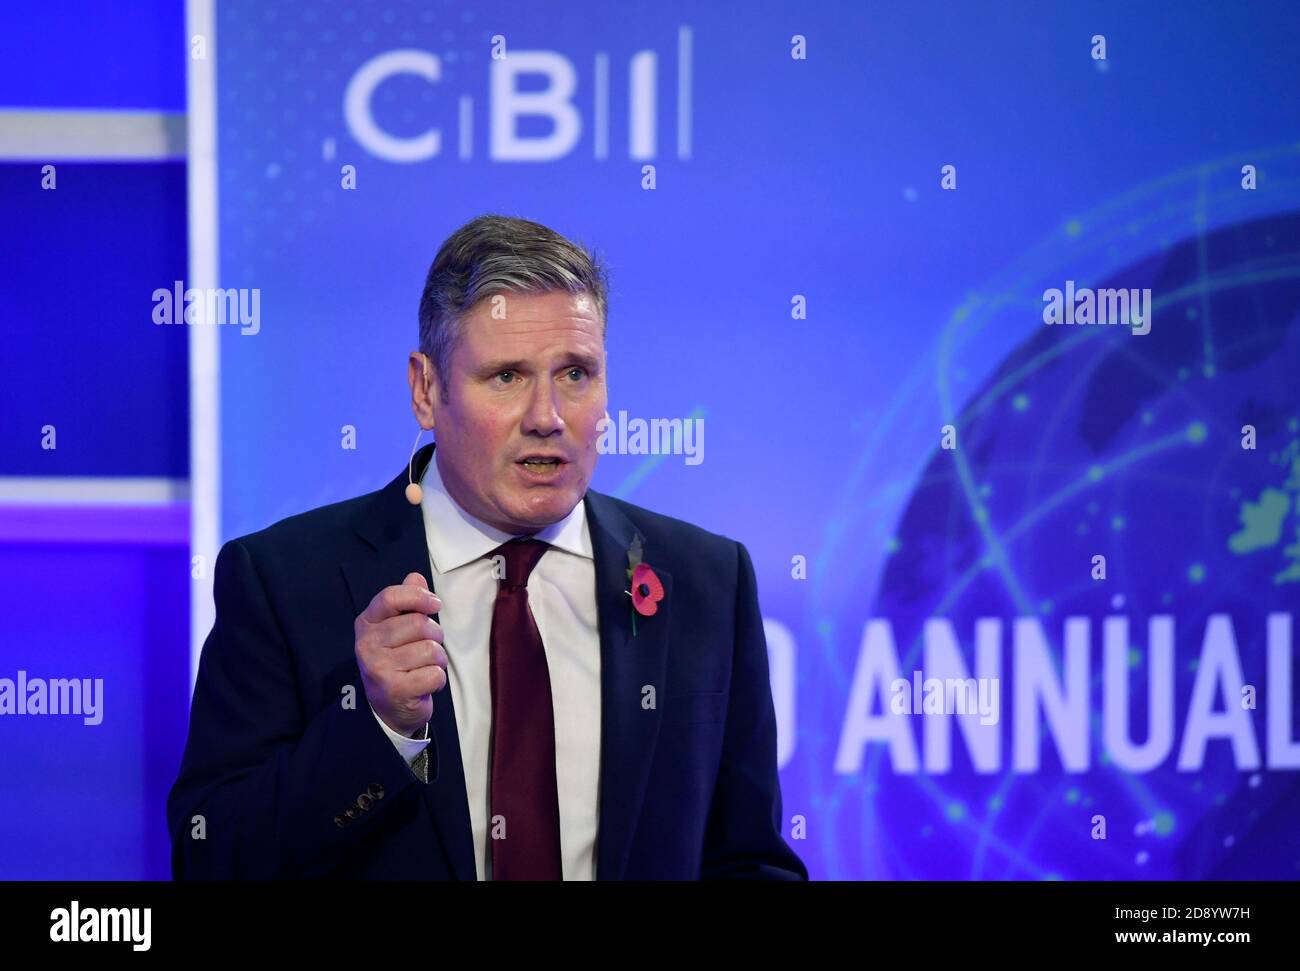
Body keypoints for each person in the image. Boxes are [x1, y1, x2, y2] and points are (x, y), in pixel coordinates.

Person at [166, 214, 807, 880]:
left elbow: (751, 863)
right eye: (506, 377)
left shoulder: (706, 581)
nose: (547, 416)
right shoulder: (284, 581)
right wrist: (378, 728)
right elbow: (210, 857)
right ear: (426, 389)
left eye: (576, 374)